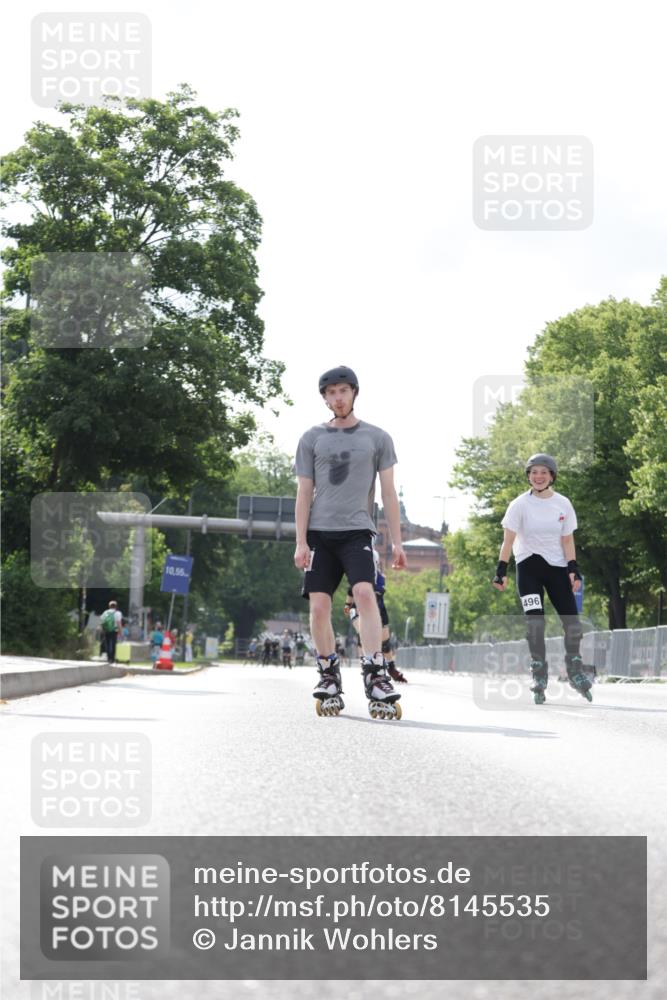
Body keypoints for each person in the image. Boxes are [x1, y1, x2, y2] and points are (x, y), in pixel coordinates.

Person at [294, 365, 407, 717]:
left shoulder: (378, 438)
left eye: (343, 391)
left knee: (364, 594)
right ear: (325, 398)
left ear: (354, 393)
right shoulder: (312, 438)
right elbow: (303, 492)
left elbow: (388, 493)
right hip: (319, 535)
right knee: (319, 606)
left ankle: (376, 673)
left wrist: (398, 543)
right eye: (331, 393)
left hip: (358, 531)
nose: (337, 398)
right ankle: (328, 672)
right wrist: (300, 541)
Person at [492, 453, 593, 704]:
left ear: (551, 476)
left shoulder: (563, 504)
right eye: (534, 472)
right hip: (528, 567)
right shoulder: (519, 505)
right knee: (535, 622)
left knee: (572, 622)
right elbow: (508, 540)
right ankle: (539, 674)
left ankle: (574, 669)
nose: (538, 477)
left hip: (557, 567)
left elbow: (567, 539)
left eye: (543, 473)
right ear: (528, 476)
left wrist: (573, 568)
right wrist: (501, 570)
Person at [344, 566, 407, 682]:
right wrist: (347, 605)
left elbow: (376, 596)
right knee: (363, 633)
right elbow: (350, 590)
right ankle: (366, 663)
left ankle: (391, 667)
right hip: (357, 609)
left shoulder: (380, 578)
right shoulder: (357, 571)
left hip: (378, 609)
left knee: (385, 644)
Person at [100, 600, 122, 664]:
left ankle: (108, 658)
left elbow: (102, 622)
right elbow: (119, 623)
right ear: (116, 606)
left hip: (106, 630)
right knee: (113, 644)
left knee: (107, 643)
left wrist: (102, 630)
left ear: (109, 606)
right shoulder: (118, 613)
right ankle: (112, 658)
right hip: (114, 631)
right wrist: (121, 632)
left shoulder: (105, 612)